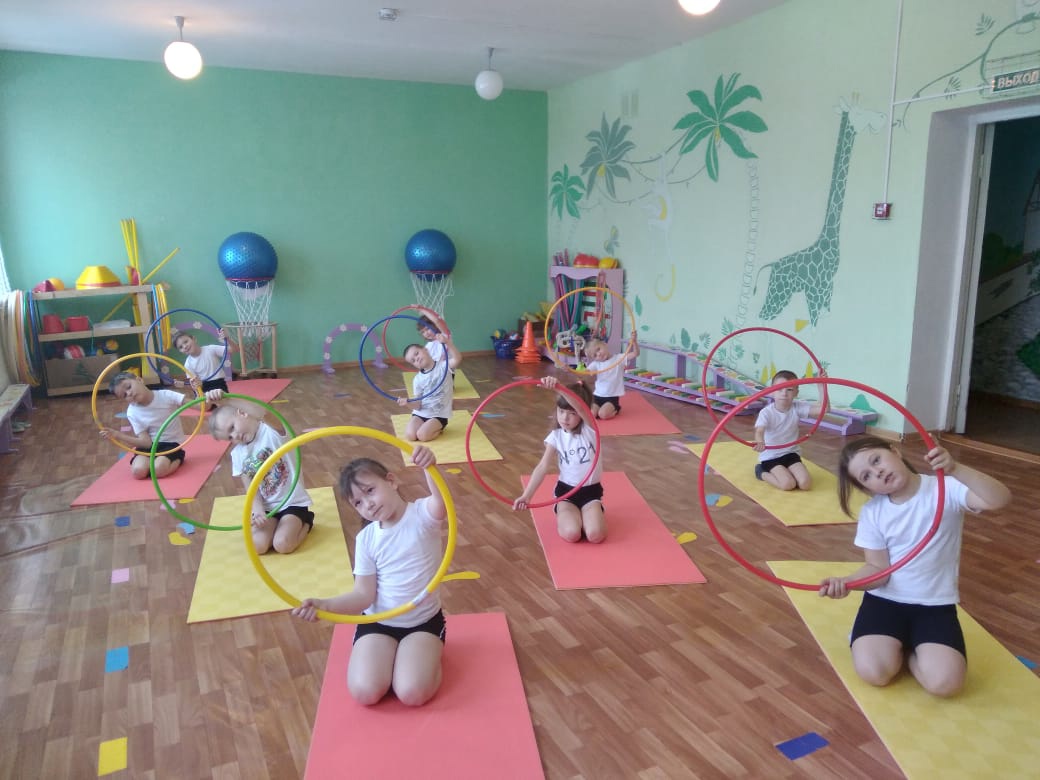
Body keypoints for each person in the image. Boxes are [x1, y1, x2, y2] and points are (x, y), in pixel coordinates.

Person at [818, 436, 1011, 697]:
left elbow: (999, 499)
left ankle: (909, 651)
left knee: (946, 685)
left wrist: (956, 468)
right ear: (867, 488)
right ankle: (884, 642)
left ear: (895, 451)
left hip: (934, 606)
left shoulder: (945, 488)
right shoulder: (873, 513)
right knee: (875, 673)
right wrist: (847, 582)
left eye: (876, 460)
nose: (877, 472)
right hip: (884, 603)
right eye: (867, 476)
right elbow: (877, 569)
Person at [292, 445, 447, 707]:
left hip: (422, 623)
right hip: (378, 622)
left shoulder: (423, 516)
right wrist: (324, 605)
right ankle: (401, 660)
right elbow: (363, 595)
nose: (368, 504)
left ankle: (427, 659)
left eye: (370, 491)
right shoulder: (366, 539)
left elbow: (441, 501)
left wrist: (429, 467)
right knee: (365, 692)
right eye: (358, 503)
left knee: (412, 692)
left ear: (392, 481)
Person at [208, 394, 313, 554]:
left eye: (232, 428)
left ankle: (307, 522)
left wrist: (225, 400)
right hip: (267, 508)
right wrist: (257, 510)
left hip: (292, 503)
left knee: (282, 544)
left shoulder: (273, 431)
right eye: (229, 437)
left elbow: (263, 411)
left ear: (242, 412)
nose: (234, 436)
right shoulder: (238, 454)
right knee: (257, 546)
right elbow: (250, 486)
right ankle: (278, 527)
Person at [513, 376, 605, 543]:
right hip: (566, 493)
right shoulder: (556, 436)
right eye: (561, 411)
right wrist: (527, 496)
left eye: (572, 413)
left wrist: (558, 387)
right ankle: (568, 515)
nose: (564, 418)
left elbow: (582, 409)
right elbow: (542, 466)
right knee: (572, 534)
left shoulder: (590, 430)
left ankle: (588, 514)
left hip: (591, 493)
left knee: (595, 536)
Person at [101, 371, 217, 479]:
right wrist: (117, 435)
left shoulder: (166, 395)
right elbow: (146, 443)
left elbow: (203, 407)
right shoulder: (132, 412)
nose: (129, 393)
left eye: (129, 387)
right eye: (124, 395)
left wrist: (198, 390)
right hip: (150, 446)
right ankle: (156, 464)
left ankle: (178, 457)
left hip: (170, 444)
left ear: (140, 380)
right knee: (138, 471)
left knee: (158, 470)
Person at [752, 369, 828, 490]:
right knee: (788, 484)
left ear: (796, 392)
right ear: (772, 391)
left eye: (789, 389)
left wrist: (821, 385)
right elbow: (759, 430)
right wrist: (760, 441)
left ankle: (790, 471)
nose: (784, 393)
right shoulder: (766, 412)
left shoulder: (796, 408)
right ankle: (761, 472)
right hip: (771, 456)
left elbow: (824, 409)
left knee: (805, 484)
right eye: (779, 389)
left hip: (791, 453)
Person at [397, 343, 453, 442]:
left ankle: (438, 429)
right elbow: (418, 405)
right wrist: (407, 403)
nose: (417, 359)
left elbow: (457, 359)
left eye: (416, 353)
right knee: (410, 436)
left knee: (422, 436)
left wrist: (447, 342)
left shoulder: (443, 366)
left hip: (438, 414)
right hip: (421, 413)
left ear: (426, 350)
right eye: (413, 360)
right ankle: (427, 427)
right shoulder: (417, 379)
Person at [583, 332, 640, 419]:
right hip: (597, 396)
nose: (599, 354)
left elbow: (635, 353)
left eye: (598, 349)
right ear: (594, 359)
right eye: (595, 355)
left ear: (605, 344)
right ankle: (601, 409)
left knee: (603, 415)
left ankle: (616, 408)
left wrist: (634, 342)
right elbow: (585, 373)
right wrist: (570, 370)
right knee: (591, 414)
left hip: (611, 397)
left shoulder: (619, 359)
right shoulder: (596, 364)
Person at [172, 328, 230, 394]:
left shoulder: (211, 349)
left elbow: (234, 349)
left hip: (219, 384)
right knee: (199, 396)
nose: (184, 346)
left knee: (222, 399)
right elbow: (194, 384)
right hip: (203, 386)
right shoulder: (188, 364)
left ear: (194, 339)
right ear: (180, 351)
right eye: (181, 347)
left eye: (186, 342)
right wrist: (183, 385)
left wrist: (227, 338)